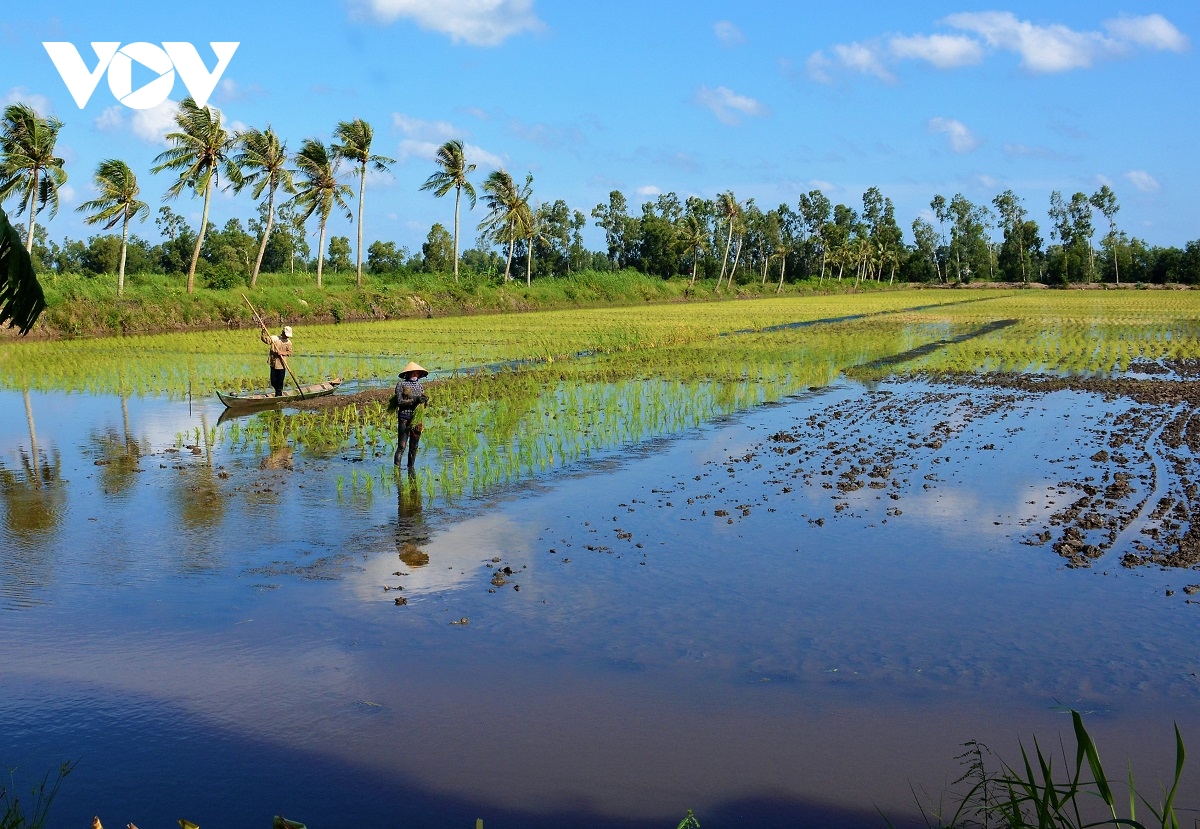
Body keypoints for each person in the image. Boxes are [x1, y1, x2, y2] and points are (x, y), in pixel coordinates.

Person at [393, 361, 429, 467]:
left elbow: (423, 406)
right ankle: (397, 471)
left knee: (414, 446)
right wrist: (415, 400)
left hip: (417, 419)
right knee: (402, 446)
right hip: (404, 417)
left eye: (416, 373)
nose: (415, 374)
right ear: (407, 374)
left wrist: (425, 401)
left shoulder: (420, 386)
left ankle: (411, 469)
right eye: (412, 372)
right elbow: (400, 402)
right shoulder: (401, 385)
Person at [261, 325, 293, 396]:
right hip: (273, 363)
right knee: (273, 382)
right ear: (283, 333)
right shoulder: (275, 339)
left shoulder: (288, 343)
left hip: (282, 365)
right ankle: (277, 393)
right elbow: (265, 339)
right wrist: (263, 331)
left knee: (279, 383)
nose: (287, 337)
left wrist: (282, 353)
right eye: (286, 335)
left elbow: (290, 353)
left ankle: (278, 396)